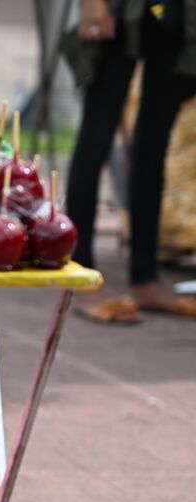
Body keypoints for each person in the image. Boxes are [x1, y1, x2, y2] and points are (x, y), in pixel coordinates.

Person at [68, 0, 196, 323]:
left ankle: (145, 278)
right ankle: (79, 278)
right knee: (96, 136)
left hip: (177, 13)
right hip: (120, 9)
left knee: (154, 143)